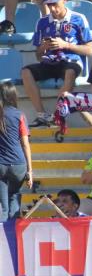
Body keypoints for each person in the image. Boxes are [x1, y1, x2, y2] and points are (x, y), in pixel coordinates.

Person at [22, 0, 92, 127]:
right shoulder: (42, 22)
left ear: (64, 0)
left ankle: (58, 115)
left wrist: (65, 45)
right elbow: (38, 56)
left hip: (71, 61)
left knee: (70, 72)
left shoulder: (79, 19)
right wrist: (43, 48)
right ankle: (42, 115)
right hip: (49, 63)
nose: (53, 9)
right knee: (25, 72)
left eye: (55, 4)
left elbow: (90, 50)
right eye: (49, 5)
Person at [0, 83, 32, 221]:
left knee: (3, 205)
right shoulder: (20, 115)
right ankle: (13, 235)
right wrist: (30, 171)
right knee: (15, 196)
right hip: (18, 164)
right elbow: (25, 144)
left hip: (1, 164)